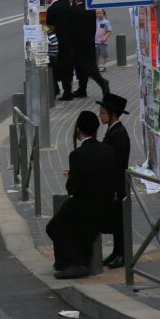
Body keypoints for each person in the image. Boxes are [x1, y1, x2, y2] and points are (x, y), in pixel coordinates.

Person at [45, 110, 117, 279]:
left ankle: (74, 263)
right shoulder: (107, 149)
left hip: (87, 206)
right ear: (96, 130)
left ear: (79, 130)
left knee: (55, 226)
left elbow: (72, 188)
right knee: (63, 222)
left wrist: (72, 176)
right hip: (108, 205)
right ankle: (69, 261)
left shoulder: (78, 155)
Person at [96, 92, 131, 268]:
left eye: (103, 113)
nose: (100, 115)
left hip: (118, 183)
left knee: (120, 220)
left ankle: (123, 254)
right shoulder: (112, 131)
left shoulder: (119, 134)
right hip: (113, 182)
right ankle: (117, 252)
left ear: (112, 115)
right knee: (115, 220)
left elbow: (117, 162)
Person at [69, 0, 110, 99]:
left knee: (87, 68)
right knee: (85, 67)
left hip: (78, 44)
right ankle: (82, 89)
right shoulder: (90, 10)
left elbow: (72, 29)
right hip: (89, 42)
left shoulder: (73, 11)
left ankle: (102, 83)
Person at [48, 0, 75, 100]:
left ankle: (56, 89)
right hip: (68, 42)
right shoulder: (65, 7)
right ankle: (68, 91)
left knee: (54, 67)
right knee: (67, 67)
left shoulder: (51, 10)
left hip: (57, 43)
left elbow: (49, 28)